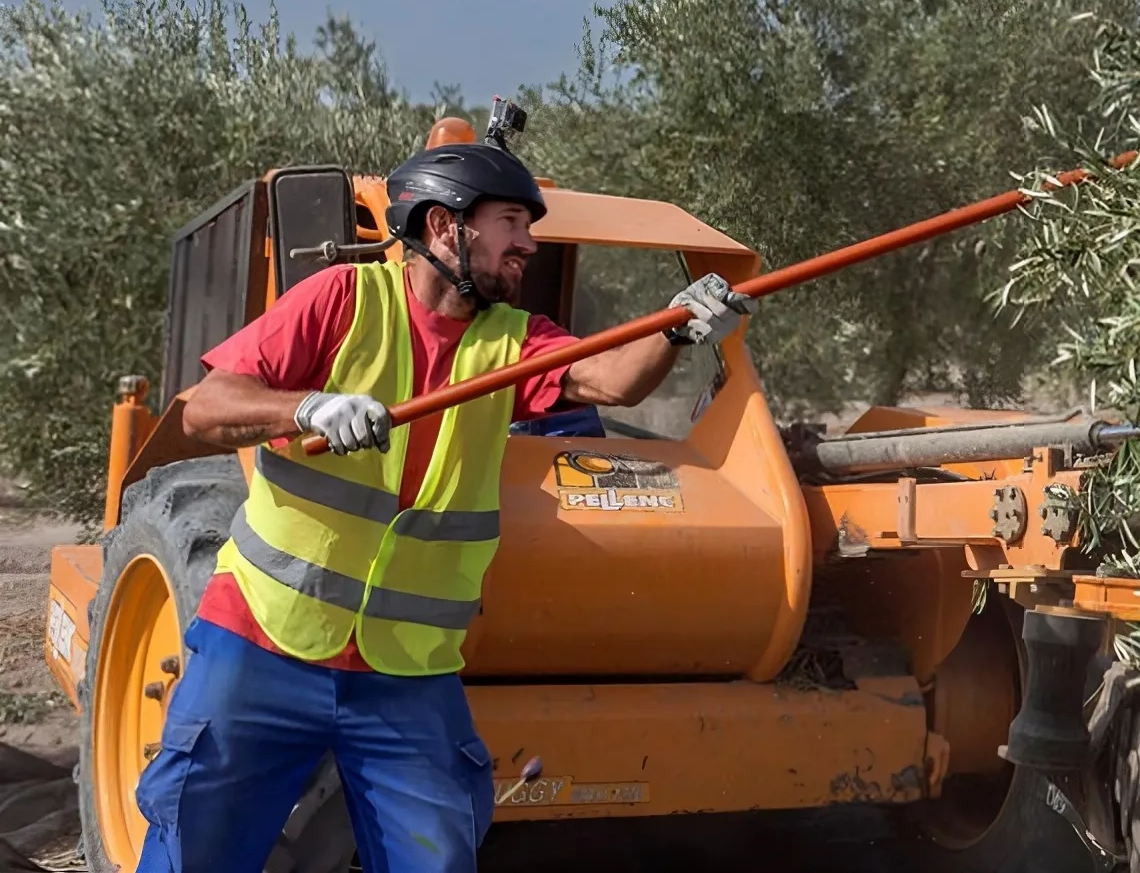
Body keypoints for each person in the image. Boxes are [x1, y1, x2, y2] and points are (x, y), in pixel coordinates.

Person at [134, 127, 753, 873]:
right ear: (442, 226)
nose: (527, 244)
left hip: (405, 677)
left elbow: (613, 380)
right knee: (193, 852)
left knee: (437, 860)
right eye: (511, 224)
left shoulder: (516, 340)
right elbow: (205, 408)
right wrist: (304, 409)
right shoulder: (342, 299)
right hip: (264, 646)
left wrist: (679, 330)